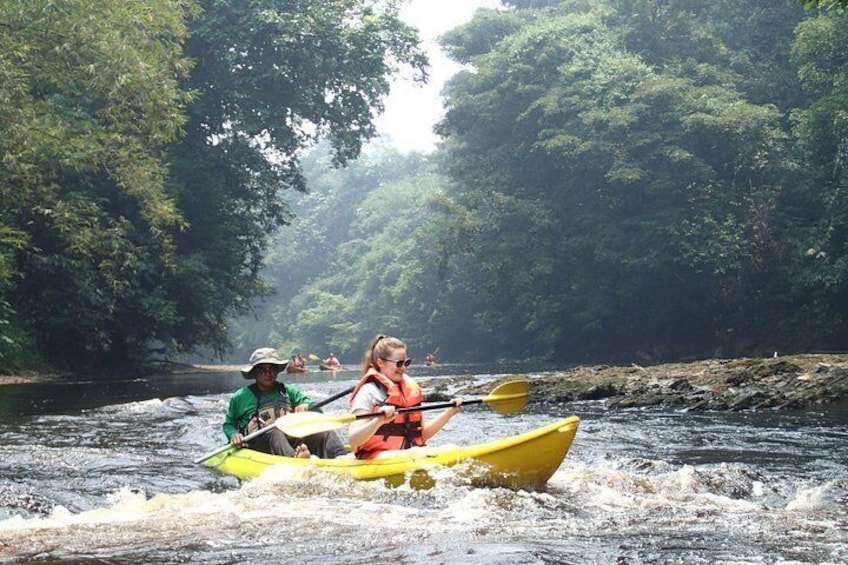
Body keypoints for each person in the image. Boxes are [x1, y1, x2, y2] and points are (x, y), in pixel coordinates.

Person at [347, 335, 462, 459]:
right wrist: (378, 421)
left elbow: (422, 434)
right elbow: (353, 439)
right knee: (419, 454)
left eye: (406, 363)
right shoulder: (369, 392)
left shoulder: (410, 392)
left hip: (410, 454)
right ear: (380, 362)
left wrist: (450, 412)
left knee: (452, 448)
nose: (403, 368)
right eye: (399, 363)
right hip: (373, 458)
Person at [223, 347, 348, 459]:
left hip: (290, 439)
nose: (268, 373)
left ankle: (343, 456)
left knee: (325, 432)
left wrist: (305, 405)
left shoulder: (288, 391)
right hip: (259, 444)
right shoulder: (240, 397)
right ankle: (295, 459)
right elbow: (229, 424)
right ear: (254, 372)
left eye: (272, 369)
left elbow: (317, 410)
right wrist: (234, 434)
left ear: (277, 370)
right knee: (274, 431)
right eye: (262, 370)